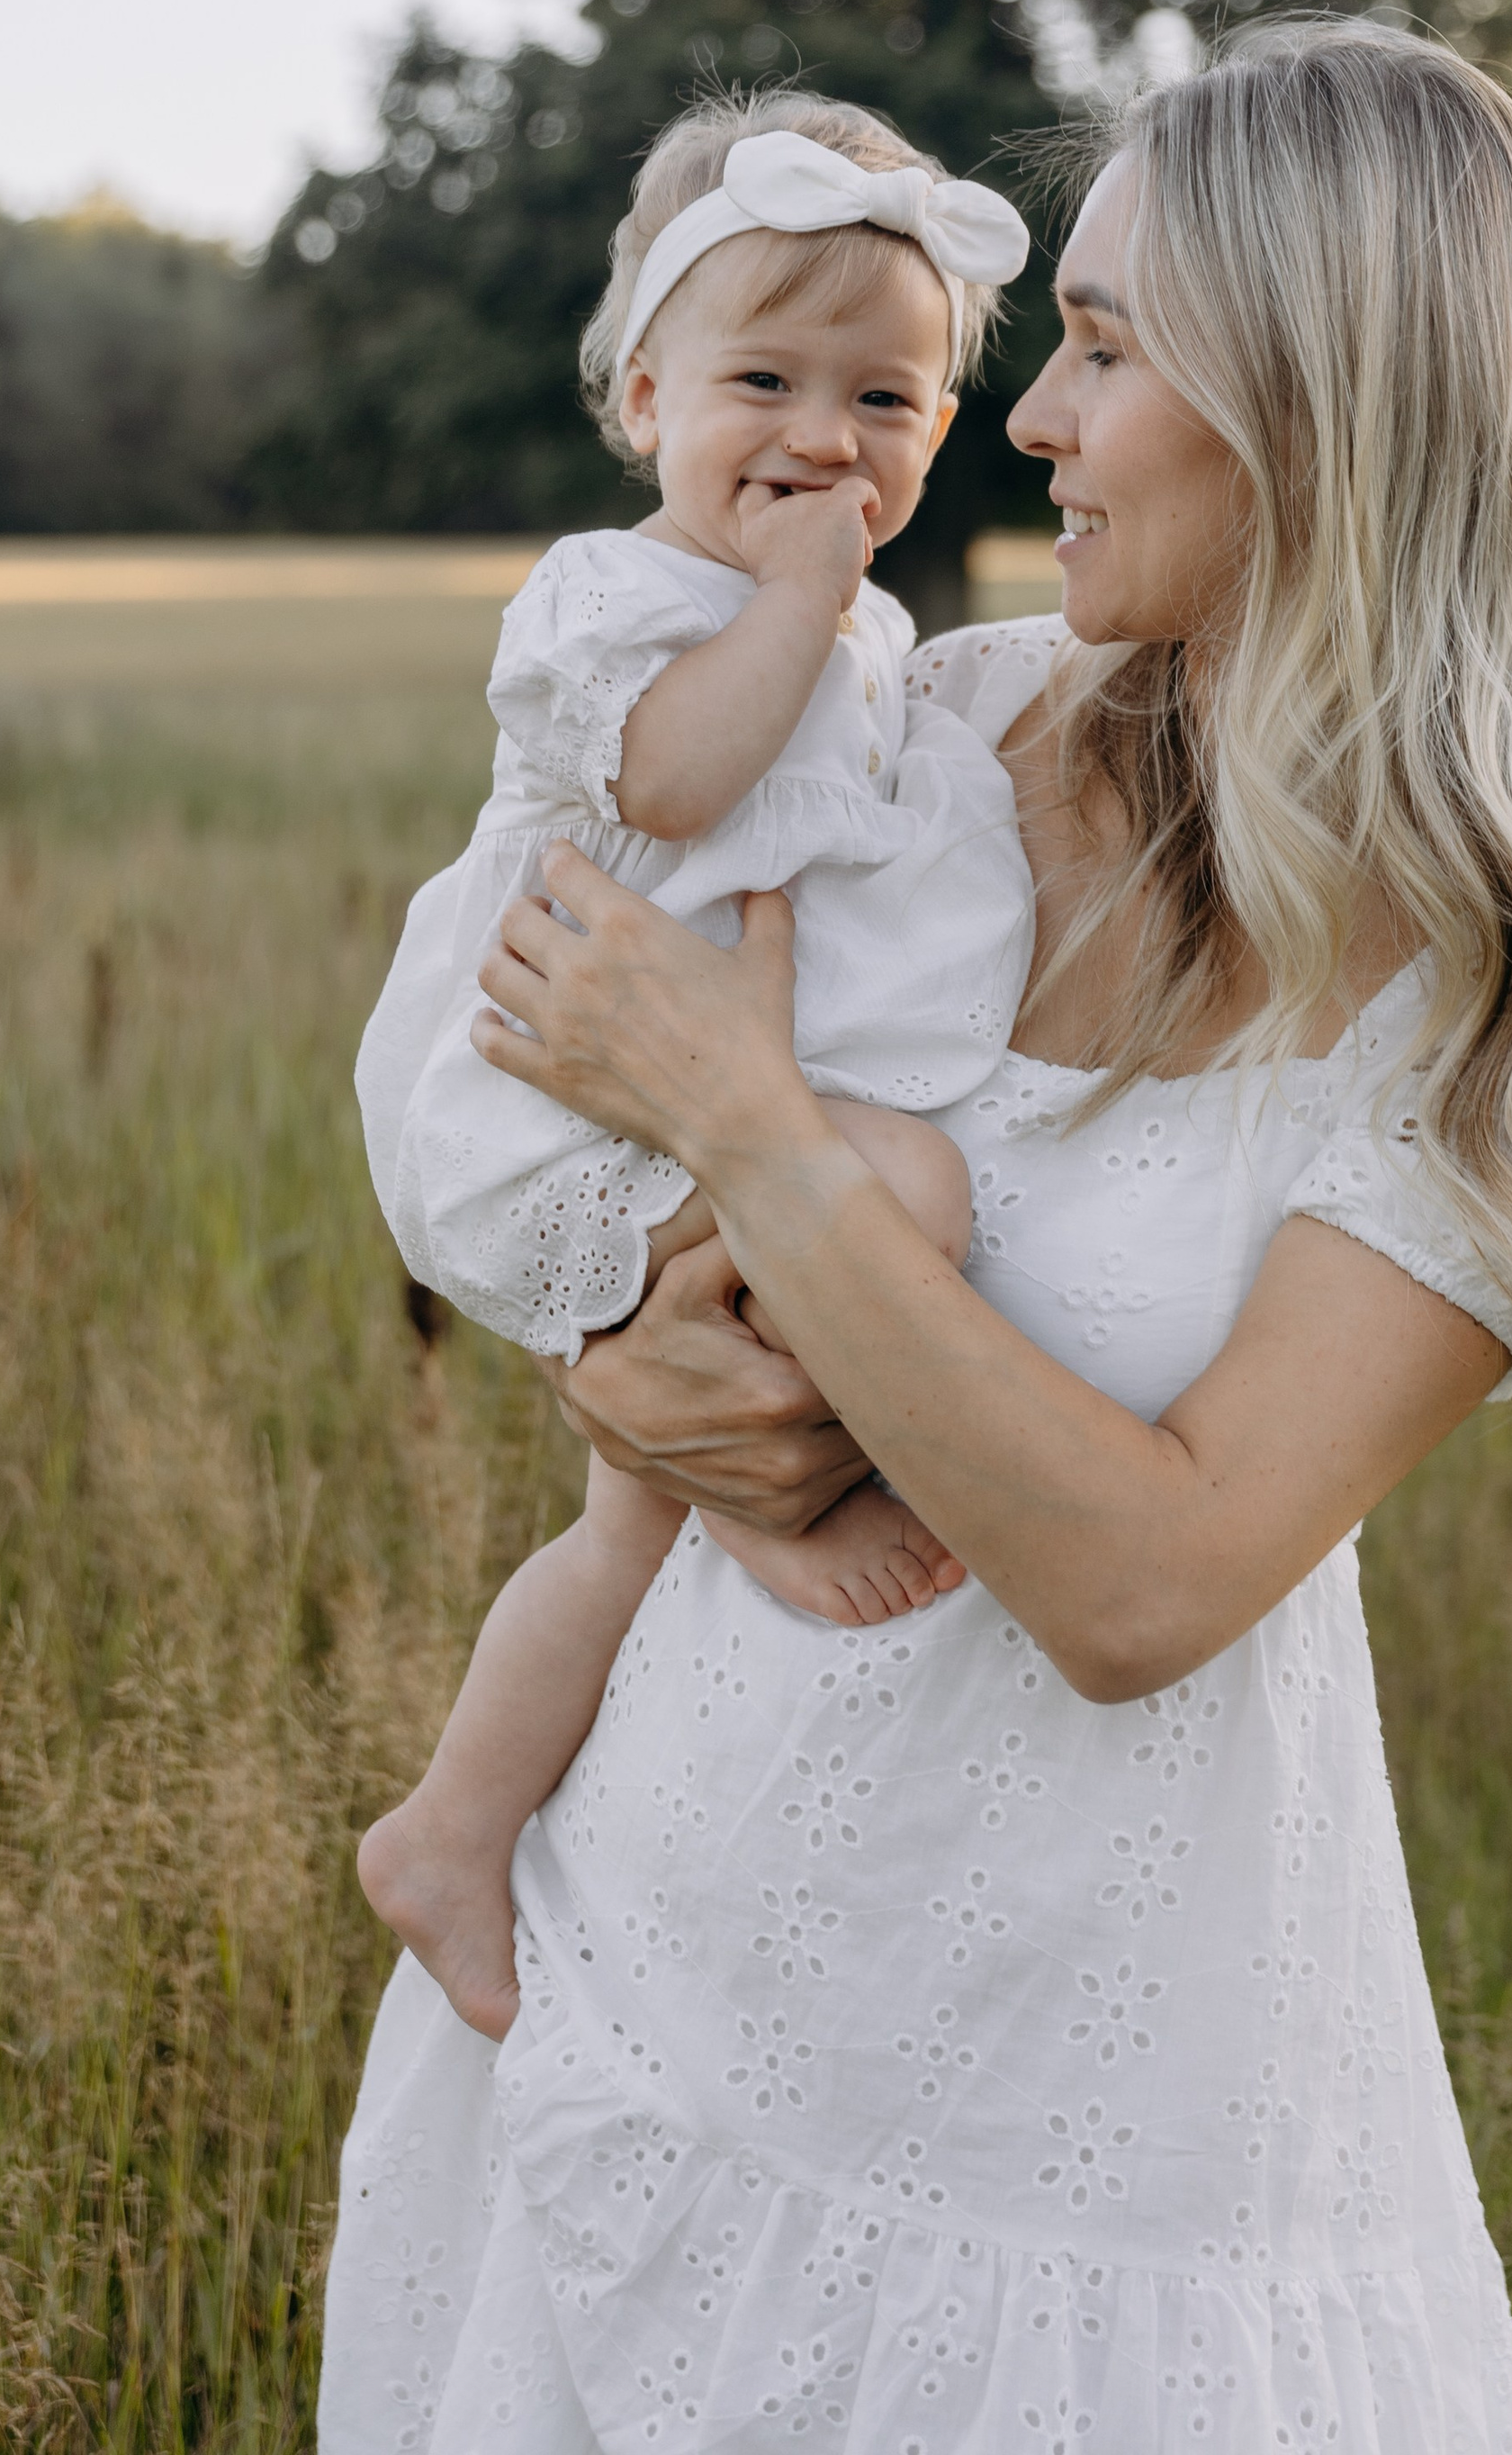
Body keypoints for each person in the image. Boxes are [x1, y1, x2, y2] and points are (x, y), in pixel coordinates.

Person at [319, 18, 1512, 2454]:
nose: (1022, 422)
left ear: (1327, 411)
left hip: (1072, 2144)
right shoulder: (932, 725)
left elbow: (1146, 1583)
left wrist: (749, 1125)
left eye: (1107, 355)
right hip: (644, 1969)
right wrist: (622, 1357)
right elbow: (557, 1071)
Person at [351, 103, 1036, 2040]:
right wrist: (804, 606)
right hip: (560, 1097)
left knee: (615, 1524)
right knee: (896, 1198)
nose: (824, 439)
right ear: (641, 395)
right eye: (763, 382)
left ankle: (450, 1828)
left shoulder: (859, 627)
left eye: (885, 401)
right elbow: (669, 779)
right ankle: (763, 1491)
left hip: (704, 1104)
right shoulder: (614, 598)